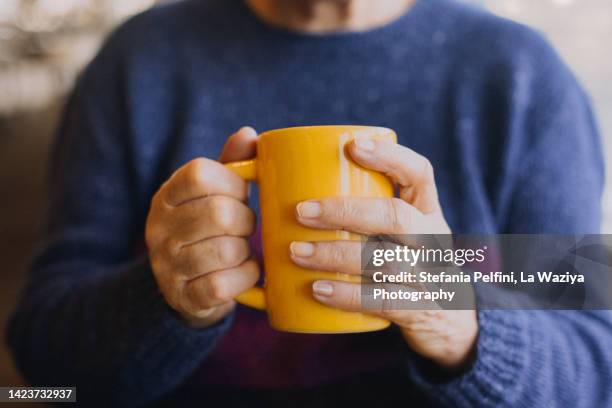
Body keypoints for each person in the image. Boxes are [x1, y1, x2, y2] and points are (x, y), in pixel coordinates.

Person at [7, 0, 612, 406]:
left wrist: (457, 323)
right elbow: (46, 368)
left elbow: (594, 363)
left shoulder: (518, 76)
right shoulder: (140, 62)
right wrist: (167, 303)